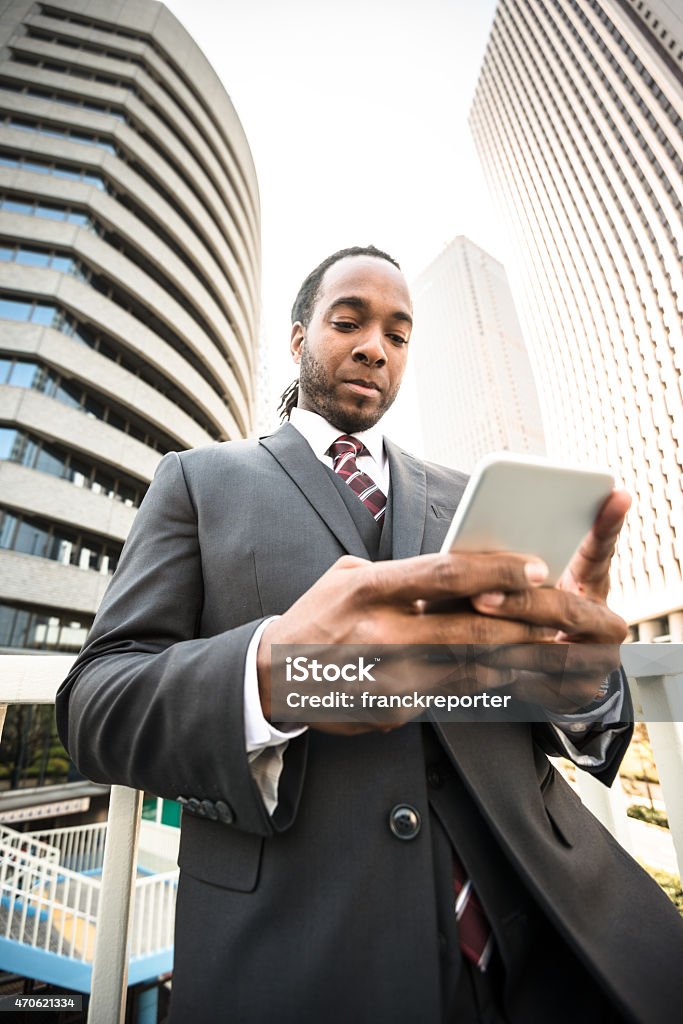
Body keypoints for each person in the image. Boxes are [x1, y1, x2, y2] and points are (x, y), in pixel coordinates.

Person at [57, 246, 683, 1024]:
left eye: (397, 333)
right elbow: (96, 703)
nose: (373, 347)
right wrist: (268, 677)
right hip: (307, 947)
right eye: (348, 321)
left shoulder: (470, 494)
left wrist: (577, 679)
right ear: (297, 338)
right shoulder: (198, 480)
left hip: (553, 921)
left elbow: (549, 699)